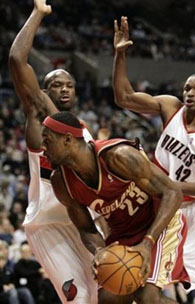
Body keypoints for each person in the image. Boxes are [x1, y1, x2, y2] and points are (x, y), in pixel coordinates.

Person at [112, 16, 195, 303]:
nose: (189, 93)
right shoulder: (169, 107)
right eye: (186, 88)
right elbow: (124, 97)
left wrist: (162, 184)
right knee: (144, 290)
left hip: (192, 212)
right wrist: (120, 54)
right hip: (157, 207)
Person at [9, 0, 105, 303]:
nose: (64, 89)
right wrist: (38, 13)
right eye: (56, 85)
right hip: (49, 226)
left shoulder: (83, 131)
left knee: (110, 294)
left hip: (84, 224)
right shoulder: (41, 121)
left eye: (70, 85)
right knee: (78, 299)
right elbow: (16, 59)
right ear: (44, 92)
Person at [41, 111, 190, 304]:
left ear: (67, 139)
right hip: (123, 235)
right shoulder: (61, 182)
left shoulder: (118, 156)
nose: (42, 147)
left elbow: (173, 193)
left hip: (159, 224)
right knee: (110, 298)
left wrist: (148, 242)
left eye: (47, 140)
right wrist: (100, 251)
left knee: (147, 298)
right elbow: (86, 228)